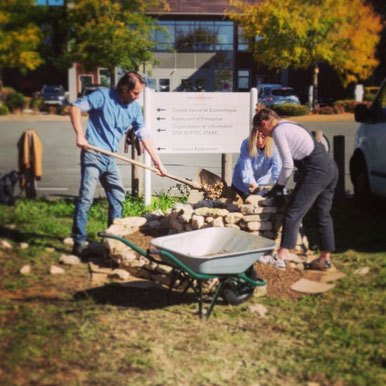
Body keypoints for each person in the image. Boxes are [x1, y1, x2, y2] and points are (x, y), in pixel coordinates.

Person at [70, 72, 167, 256]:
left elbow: (144, 135)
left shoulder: (134, 109)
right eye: (135, 93)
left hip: (109, 158)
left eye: (140, 93)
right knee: (86, 198)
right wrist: (80, 135)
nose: (138, 97)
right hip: (92, 154)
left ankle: (112, 240)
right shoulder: (102, 96)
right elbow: (76, 107)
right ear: (124, 89)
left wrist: (158, 163)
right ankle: (79, 241)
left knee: (118, 197)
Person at [255, 107, 338, 271]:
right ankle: (325, 259)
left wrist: (279, 187)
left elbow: (287, 164)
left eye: (261, 130)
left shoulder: (279, 131)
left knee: (293, 211)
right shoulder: (290, 124)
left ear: (265, 123)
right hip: (330, 167)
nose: (263, 135)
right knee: (322, 213)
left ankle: (280, 257)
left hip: (316, 170)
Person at [231, 118, 282, 197]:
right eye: (257, 137)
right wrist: (251, 183)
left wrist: (279, 188)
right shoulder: (246, 144)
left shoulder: (275, 146)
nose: (260, 141)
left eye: (263, 136)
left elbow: (277, 170)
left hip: (262, 184)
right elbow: (245, 168)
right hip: (240, 183)